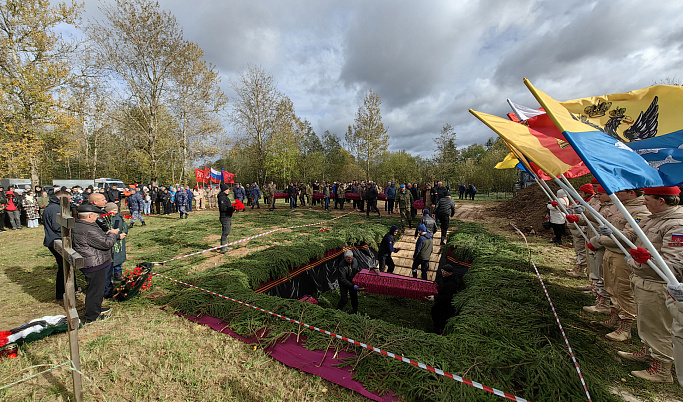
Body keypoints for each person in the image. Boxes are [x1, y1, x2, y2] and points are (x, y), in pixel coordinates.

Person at [610, 186, 682, 383]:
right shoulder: (652, 219)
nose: (644, 202)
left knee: (658, 327)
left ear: (662, 200)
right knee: (647, 323)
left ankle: (662, 370)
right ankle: (648, 352)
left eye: (648, 199)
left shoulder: (677, 225)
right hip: (643, 279)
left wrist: (648, 260)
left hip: (657, 285)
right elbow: (635, 238)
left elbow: (676, 266)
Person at [588, 188, 650, 342]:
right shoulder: (619, 207)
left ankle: (626, 326)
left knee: (623, 290)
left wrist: (603, 239)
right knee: (612, 287)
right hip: (611, 251)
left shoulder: (640, 211)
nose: (614, 193)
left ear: (632, 193)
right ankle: (614, 318)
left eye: (620, 191)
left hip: (623, 255)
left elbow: (630, 236)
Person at [72, 204, 124, 323]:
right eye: (95, 216)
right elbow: (106, 244)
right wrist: (113, 234)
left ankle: (96, 308)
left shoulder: (79, 225)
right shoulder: (88, 229)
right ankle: (92, 316)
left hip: (91, 260)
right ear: (90, 215)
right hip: (94, 263)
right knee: (95, 290)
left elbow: (96, 240)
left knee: (96, 289)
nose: (96, 218)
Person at [43, 190, 74, 300]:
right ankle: (61, 293)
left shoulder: (53, 207)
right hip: (57, 241)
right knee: (64, 268)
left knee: (65, 267)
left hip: (57, 240)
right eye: (69, 199)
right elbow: (57, 226)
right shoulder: (55, 209)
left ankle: (67, 290)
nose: (71, 201)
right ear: (62, 199)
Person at [427, 264, 466, 334]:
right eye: (442, 271)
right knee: (434, 313)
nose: (443, 273)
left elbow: (447, 297)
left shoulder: (451, 284)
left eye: (445, 272)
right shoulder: (443, 278)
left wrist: (435, 298)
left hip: (446, 306)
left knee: (441, 318)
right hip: (440, 303)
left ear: (450, 273)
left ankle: (440, 332)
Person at [102, 202, 128, 298]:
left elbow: (124, 226)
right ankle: (111, 276)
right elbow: (107, 231)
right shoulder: (105, 219)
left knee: (119, 257)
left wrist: (125, 232)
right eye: (113, 210)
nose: (115, 212)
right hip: (113, 241)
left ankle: (118, 272)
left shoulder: (119, 217)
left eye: (116, 210)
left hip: (120, 241)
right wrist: (117, 236)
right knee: (113, 258)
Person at [218, 183, 234, 254]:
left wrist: (233, 208)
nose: (228, 190)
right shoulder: (222, 198)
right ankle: (223, 249)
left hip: (228, 216)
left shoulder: (225, 197)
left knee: (227, 231)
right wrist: (231, 209)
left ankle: (225, 245)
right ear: (224, 190)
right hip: (225, 217)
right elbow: (223, 208)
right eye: (227, 189)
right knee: (225, 232)